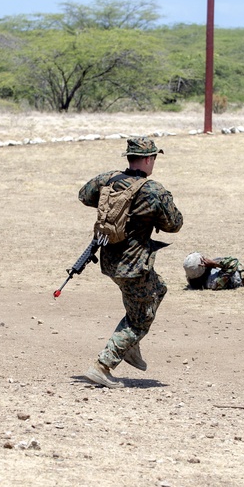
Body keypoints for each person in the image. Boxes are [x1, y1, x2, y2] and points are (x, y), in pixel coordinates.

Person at [77, 137, 183, 388]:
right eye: (154, 158)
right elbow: (175, 224)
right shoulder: (153, 190)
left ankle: (130, 347)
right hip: (135, 265)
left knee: (158, 289)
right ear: (147, 159)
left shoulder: (107, 180)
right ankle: (103, 365)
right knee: (140, 318)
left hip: (110, 261)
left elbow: (84, 195)